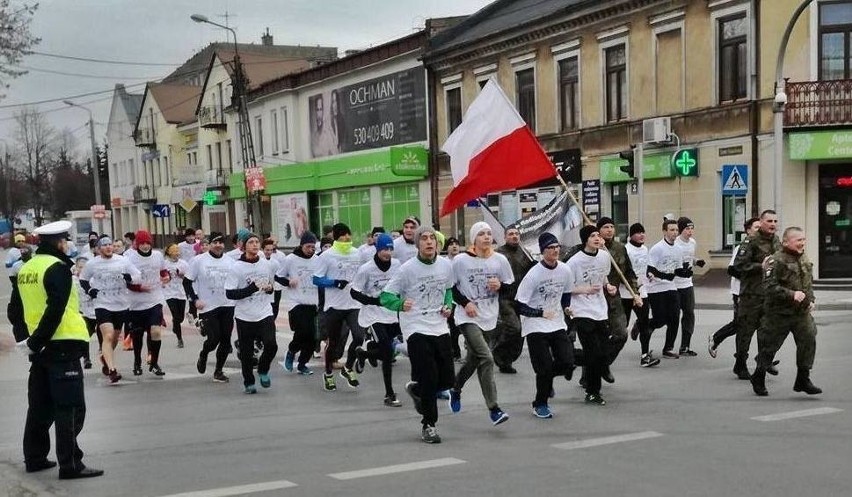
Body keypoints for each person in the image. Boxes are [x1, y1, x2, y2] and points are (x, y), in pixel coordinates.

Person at [12, 220, 104, 479]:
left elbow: (14, 310)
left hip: (39, 348)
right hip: (62, 344)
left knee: (39, 404)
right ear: (60, 243)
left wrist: (28, 341)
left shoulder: (28, 268)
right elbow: (56, 310)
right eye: (66, 241)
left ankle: (35, 457)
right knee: (70, 406)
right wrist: (36, 340)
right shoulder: (58, 268)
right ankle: (70, 464)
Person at [380, 224, 455, 443]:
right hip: (415, 327)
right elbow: (385, 296)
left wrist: (448, 306)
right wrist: (400, 304)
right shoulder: (407, 269)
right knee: (429, 377)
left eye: (432, 238)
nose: (429, 242)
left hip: (439, 325)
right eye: (424, 239)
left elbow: (448, 289)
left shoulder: (445, 266)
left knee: (447, 379)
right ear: (418, 244)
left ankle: (417, 389)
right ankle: (429, 425)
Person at [448, 221, 513, 425]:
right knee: (487, 358)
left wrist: (500, 286)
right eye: (481, 234)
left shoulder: (500, 260)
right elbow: (450, 288)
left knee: (474, 360)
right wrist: (465, 303)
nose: (486, 237)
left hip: (489, 317)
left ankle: (455, 388)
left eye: (488, 233)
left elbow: (511, 288)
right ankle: (494, 409)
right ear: (473, 239)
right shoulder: (460, 261)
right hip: (467, 317)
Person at [750, 227, 821, 397]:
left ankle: (803, 379)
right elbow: (769, 287)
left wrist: (810, 300)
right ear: (786, 242)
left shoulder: (803, 257)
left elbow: (807, 283)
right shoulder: (775, 261)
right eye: (798, 240)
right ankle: (758, 376)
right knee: (769, 348)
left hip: (801, 313)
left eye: (803, 239)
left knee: (808, 340)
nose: (802, 243)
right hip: (778, 314)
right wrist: (791, 294)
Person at [515, 232, 575, 419]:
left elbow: (566, 293)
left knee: (567, 362)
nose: (555, 251)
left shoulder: (565, 270)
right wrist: (540, 313)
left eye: (557, 247)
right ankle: (540, 403)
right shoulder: (533, 274)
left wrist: (566, 308)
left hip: (556, 323)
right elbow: (519, 305)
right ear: (542, 251)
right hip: (535, 325)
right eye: (551, 248)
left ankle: (548, 380)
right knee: (544, 368)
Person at [565, 225, 617, 405]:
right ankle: (593, 392)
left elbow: (603, 276)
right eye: (592, 235)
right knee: (593, 353)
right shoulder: (574, 262)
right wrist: (585, 289)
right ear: (585, 240)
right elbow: (567, 288)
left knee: (602, 352)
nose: (597, 238)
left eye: (597, 235)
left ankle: (568, 359)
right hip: (581, 311)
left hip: (600, 310)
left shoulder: (604, 256)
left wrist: (608, 286)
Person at [350, 233, 403, 407]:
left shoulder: (397, 265)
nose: (388, 253)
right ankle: (389, 394)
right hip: (373, 315)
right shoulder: (366, 269)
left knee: (390, 350)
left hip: (392, 314)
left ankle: (364, 353)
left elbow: (402, 287)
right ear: (377, 249)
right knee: (387, 353)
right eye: (384, 249)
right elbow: (354, 292)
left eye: (390, 249)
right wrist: (374, 301)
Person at [79, 236, 140, 383]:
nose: (108, 247)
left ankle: (105, 358)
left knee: (114, 337)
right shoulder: (92, 264)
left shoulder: (123, 260)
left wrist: (129, 278)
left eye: (110, 245)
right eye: (104, 245)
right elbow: (83, 279)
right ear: (98, 249)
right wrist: (89, 290)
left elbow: (137, 275)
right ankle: (112, 370)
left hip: (120, 303)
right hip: (102, 304)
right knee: (107, 335)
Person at [312, 223, 364, 391]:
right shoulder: (327, 256)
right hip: (334, 306)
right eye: (343, 235)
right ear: (336, 237)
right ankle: (328, 373)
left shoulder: (357, 253)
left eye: (348, 235)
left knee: (359, 336)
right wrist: (334, 282)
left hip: (353, 304)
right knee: (333, 342)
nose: (347, 238)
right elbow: (316, 279)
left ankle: (348, 367)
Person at [225, 233, 278, 394]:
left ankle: (263, 369)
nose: (255, 245)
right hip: (244, 315)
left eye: (257, 242)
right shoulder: (237, 267)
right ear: (243, 246)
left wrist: (270, 289)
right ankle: (249, 381)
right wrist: (251, 289)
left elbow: (270, 285)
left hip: (264, 311)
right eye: (251, 242)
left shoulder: (265, 264)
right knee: (247, 352)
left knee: (272, 345)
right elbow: (230, 294)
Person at [731, 210, 780, 379]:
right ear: (761, 222)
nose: (773, 224)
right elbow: (738, 266)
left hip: (769, 295)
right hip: (751, 295)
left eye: (775, 221)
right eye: (769, 221)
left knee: (767, 332)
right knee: (746, 332)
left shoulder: (776, 240)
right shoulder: (750, 241)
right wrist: (761, 266)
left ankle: (764, 363)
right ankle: (740, 364)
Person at [184, 232, 234, 383]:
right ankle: (204, 353)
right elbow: (187, 282)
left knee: (226, 340)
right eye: (215, 242)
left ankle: (218, 371)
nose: (218, 245)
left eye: (221, 243)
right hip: (208, 306)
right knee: (214, 338)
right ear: (209, 244)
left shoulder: (230, 261)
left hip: (227, 304)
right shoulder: (199, 261)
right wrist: (195, 300)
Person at [597, 217, 641, 380]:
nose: (609, 230)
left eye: (611, 227)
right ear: (599, 230)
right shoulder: (593, 247)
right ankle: (591, 371)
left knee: (621, 334)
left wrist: (636, 293)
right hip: (594, 299)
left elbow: (629, 272)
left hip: (614, 299)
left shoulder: (620, 248)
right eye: (605, 227)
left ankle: (603, 365)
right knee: (599, 339)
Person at [708, 217, 760, 358]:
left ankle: (764, 359)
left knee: (762, 324)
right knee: (739, 324)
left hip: (758, 293)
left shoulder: (763, 248)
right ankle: (716, 338)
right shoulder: (741, 247)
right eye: (756, 227)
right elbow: (732, 269)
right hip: (741, 292)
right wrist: (749, 278)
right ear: (748, 230)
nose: (760, 230)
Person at [124, 230, 169, 376]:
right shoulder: (129, 257)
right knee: (137, 335)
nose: (145, 246)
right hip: (136, 302)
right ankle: (137, 362)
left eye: (147, 243)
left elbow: (163, 271)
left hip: (155, 299)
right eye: (142, 243)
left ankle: (154, 362)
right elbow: (125, 280)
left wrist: (166, 277)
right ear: (137, 244)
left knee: (155, 332)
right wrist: (138, 287)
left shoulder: (157, 255)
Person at [276, 232, 319, 376]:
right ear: (301, 245)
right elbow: (278, 277)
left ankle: (302, 364)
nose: (311, 250)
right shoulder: (290, 259)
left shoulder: (318, 260)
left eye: (313, 247)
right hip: (296, 302)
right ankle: (291, 351)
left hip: (313, 302)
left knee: (313, 338)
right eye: (308, 246)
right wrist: (288, 282)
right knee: (302, 332)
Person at [493, 227, 535, 374]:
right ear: (505, 237)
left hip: (522, 298)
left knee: (520, 332)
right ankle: (497, 351)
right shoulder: (498, 254)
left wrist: (535, 265)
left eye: (517, 234)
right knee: (513, 327)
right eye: (511, 234)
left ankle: (507, 361)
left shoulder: (525, 253)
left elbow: (532, 272)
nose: (514, 236)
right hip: (505, 297)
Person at [645, 219, 683, 359]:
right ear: (664, 231)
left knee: (674, 317)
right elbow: (650, 268)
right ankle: (643, 325)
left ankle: (668, 348)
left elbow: (677, 269)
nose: (674, 233)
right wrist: (663, 276)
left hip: (671, 287)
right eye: (671, 230)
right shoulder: (657, 248)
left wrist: (685, 272)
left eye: (676, 230)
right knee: (660, 319)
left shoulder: (678, 249)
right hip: (655, 288)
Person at [673, 217, 705, 356]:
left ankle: (685, 346)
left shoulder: (692, 242)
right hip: (673, 284)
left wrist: (697, 261)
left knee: (689, 314)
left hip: (687, 284)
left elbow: (689, 257)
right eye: (687, 229)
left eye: (692, 228)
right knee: (669, 316)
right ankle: (643, 325)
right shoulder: (675, 244)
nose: (690, 231)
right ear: (681, 230)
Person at [73, 256, 98, 369]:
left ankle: (104, 354)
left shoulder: (93, 280)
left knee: (104, 336)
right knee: (84, 336)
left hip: (96, 311)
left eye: (85, 267)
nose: (82, 269)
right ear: (76, 268)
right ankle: (86, 358)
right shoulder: (72, 281)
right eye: (80, 267)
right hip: (82, 313)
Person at [163, 243, 189, 348]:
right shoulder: (164, 264)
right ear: (169, 253)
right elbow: (161, 276)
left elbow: (188, 277)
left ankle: (175, 324)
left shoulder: (183, 263)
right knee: (175, 314)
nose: (176, 253)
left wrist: (181, 274)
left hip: (180, 292)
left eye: (177, 251)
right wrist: (166, 277)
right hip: (169, 292)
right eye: (174, 251)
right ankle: (180, 339)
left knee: (180, 317)